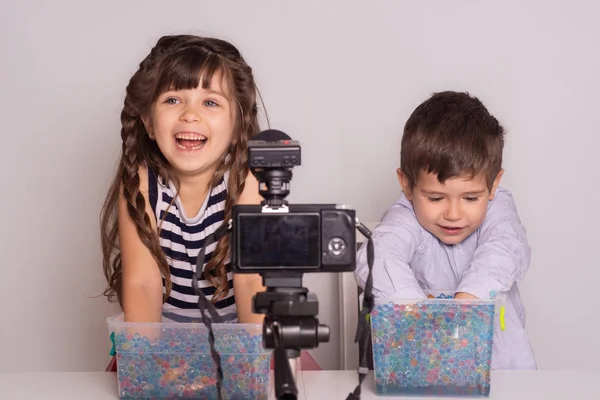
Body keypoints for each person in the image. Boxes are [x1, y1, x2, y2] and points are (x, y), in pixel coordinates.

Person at [101, 34, 321, 371]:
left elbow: (251, 281)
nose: (190, 115)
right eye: (173, 100)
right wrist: (149, 366)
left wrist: (253, 364)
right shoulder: (141, 183)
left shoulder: (249, 180)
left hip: (243, 339)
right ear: (147, 120)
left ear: (237, 126)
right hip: (167, 345)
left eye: (210, 102)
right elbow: (143, 284)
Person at [355, 91, 536, 369]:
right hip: (426, 377)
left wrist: (465, 304)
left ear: (494, 183)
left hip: (505, 378)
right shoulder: (405, 216)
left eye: (471, 198)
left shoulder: (498, 207)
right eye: (436, 198)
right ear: (406, 185)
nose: (453, 214)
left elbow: (505, 248)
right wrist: (423, 320)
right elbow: (378, 254)